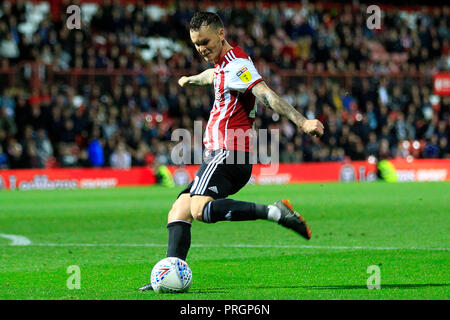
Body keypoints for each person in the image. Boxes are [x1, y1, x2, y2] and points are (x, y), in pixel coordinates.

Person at [139, 12, 324, 291]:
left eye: (206, 41)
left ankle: (274, 212)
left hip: (228, 152)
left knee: (199, 209)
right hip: (227, 156)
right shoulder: (223, 65)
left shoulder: (237, 65)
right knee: (179, 210)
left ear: (221, 34)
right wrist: (191, 78)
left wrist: (303, 121)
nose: (201, 48)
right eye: (196, 44)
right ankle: (168, 278)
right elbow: (213, 76)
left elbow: (266, 95)